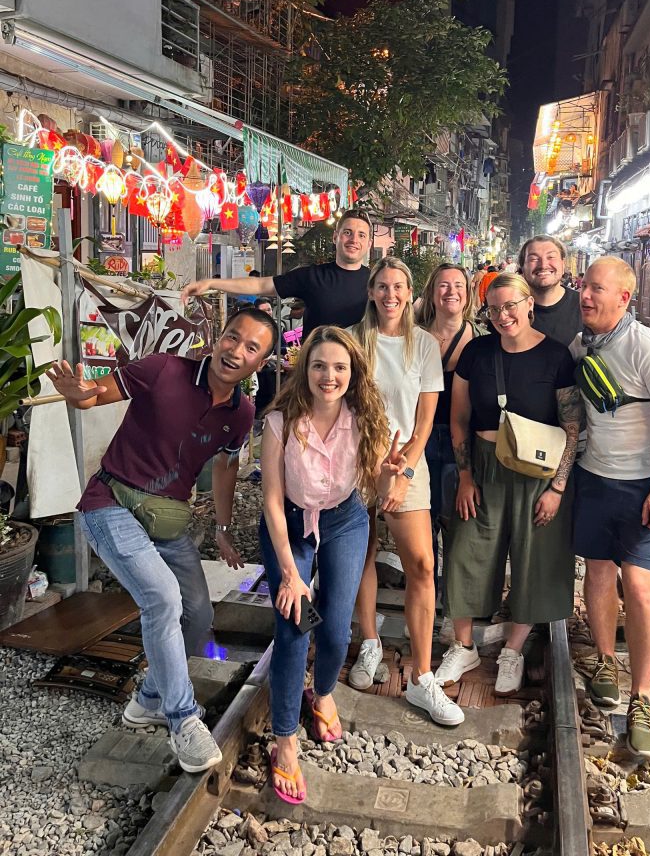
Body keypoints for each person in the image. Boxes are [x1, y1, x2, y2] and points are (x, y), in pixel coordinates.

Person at [45, 307, 278, 773]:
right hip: (109, 504)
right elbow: (93, 397)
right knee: (162, 599)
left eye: (252, 348)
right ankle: (182, 719)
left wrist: (224, 529)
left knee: (198, 613)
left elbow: (226, 468)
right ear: (217, 337)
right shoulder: (163, 369)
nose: (236, 350)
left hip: (165, 519)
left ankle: (150, 698)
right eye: (233, 337)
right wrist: (78, 395)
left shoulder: (241, 412)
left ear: (260, 365)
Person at [259, 326, 395, 802]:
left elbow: (378, 492)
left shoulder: (364, 419)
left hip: (344, 519)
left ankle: (322, 691)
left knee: (337, 630)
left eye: (339, 367)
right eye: (319, 365)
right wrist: (291, 573)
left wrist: (392, 478)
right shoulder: (279, 422)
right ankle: (284, 740)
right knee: (293, 624)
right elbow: (272, 502)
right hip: (291, 524)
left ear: (353, 372)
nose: (329, 375)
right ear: (305, 369)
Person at [436, 273, 581, 695]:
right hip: (482, 464)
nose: (503, 315)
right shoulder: (477, 353)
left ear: (528, 303)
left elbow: (571, 426)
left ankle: (514, 648)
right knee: (465, 549)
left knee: (536, 555)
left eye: (511, 305)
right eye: (495, 308)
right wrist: (465, 475)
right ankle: (463, 645)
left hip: (539, 472)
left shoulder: (556, 357)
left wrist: (557, 487)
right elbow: (458, 418)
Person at [571, 257, 650, 759]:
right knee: (597, 573)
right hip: (594, 479)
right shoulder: (583, 345)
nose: (586, 295)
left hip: (643, 486)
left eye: (598, 289)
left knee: (639, 586)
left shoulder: (648, 348)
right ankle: (603, 660)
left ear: (625, 298)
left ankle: (642, 696)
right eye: (584, 286)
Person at [349, 258, 464, 725]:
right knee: (362, 554)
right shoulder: (354, 338)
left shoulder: (424, 346)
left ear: (410, 291)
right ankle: (369, 644)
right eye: (382, 286)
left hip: (404, 462)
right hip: (354, 461)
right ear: (371, 291)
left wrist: (405, 474)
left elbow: (425, 421)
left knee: (421, 563)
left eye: (398, 286)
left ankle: (420, 676)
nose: (390, 295)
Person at [181, 208, 373, 338]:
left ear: (369, 244)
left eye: (361, 235)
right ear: (335, 237)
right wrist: (211, 283)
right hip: (313, 379)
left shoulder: (376, 283)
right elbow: (260, 285)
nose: (353, 239)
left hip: (361, 377)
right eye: (347, 232)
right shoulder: (312, 277)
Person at [416, 263, 482, 609]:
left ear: (468, 294)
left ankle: (455, 609)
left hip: (462, 445)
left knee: (459, 526)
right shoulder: (414, 337)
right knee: (422, 525)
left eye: (458, 285)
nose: (451, 291)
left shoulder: (482, 342)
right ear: (431, 293)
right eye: (443, 285)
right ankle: (429, 598)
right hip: (420, 440)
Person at [518, 235, 582, 347]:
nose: (543, 265)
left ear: (563, 264)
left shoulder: (585, 307)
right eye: (533, 259)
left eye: (551, 257)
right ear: (522, 268)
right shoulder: (510, 311)